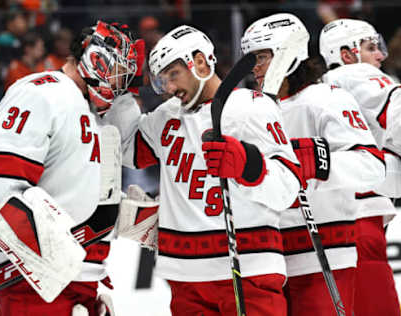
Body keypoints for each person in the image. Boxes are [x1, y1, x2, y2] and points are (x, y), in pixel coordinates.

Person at [104, 24, 303, 316]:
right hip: (185, 278)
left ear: (199, 62)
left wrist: (248, 164)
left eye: (173, 74)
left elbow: (288, 185)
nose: (169, 88)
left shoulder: (250, 108)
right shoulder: (166, 115)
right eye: (162, 80)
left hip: (246, 271)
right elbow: (125, 149)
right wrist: (125, 88)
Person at [0, 20, 139, 316]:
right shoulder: (41, 92)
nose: (122, 84)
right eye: (120, 71)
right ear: (97, 60)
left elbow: (73, 195)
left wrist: (92, 270)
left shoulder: (96, 116)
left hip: (79, 280)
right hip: (30, 280)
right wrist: (42, 240)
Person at [241, 13, 386, 316]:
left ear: (288, 53)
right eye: (251, 58)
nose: (254, 67)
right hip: (270, 259)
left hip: (325, 254)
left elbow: (372, 166)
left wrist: (315, 160)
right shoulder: (255, 110)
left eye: (262, 57)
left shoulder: (328, 98)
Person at [319, 18, 401, 316]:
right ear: (346, 54)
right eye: (370, 47)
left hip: (329, 225)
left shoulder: (319, 91)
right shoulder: (356, 75)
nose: (380, 55)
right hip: (359, 224)